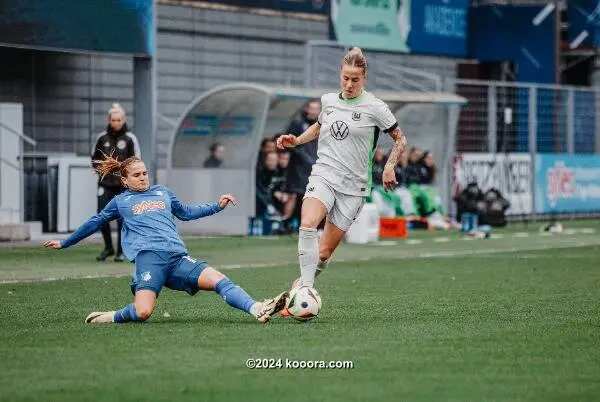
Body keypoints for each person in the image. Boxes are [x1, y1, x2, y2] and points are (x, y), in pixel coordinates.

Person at [42, 155, 287, 324]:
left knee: (219, 280)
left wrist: (217, 206)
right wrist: (65, 242)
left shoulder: (162, 192)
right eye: (136, 175)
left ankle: (257, 308)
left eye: (145, 173)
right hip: (149, 260)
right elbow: (95, 222)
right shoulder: (120, 201)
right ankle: (110, 317)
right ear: (125, 180)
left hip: (177, 257)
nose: (142, 177)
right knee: (143, 312)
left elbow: (186, 212)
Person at [276, 47, 408, 298]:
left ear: (364, 79)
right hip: (324, 174)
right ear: (340, 75)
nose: (349, 84)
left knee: (324, 253)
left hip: (354, 187)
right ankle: (305, 291)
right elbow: (318, 126)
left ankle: (301, 287)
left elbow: (400, 139)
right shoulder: (328, 101)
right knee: (307, 224)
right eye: (345, 78)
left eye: (355, 80)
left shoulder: (375, 107)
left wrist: (389, 165)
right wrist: (297, 141)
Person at [91, 103, 140, 262]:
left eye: (119, 120)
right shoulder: (102, 138)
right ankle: (108, 248)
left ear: (123, 120)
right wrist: (103, 170)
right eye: (114, 120)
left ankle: (121, 251)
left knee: (122, 218)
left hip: (123, 186)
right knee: (101, 216)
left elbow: (135, 161)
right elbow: (94, 159)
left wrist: (126, 176)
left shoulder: (130, 138)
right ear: (109, 120)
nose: (116, 123)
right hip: (105, 184)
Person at [284, 99, 321, 228]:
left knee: (314, 196)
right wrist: (304, 157)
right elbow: (289, 143)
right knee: (298, 195)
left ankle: (310, 225)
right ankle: (290, 224)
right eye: (312, 108)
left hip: (315, 167)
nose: (314, 111)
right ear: (306, 109)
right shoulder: (298, 124)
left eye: (316, 109)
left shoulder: (320, 125)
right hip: (298, 168)